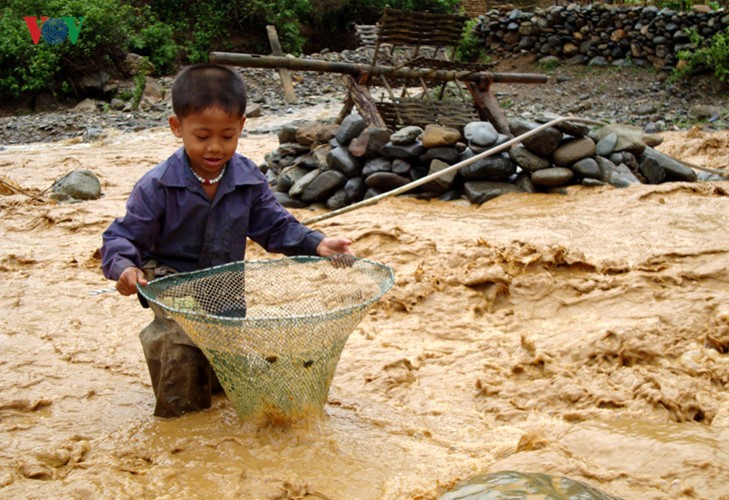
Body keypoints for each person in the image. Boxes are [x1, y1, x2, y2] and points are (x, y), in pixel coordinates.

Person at [100, 63, 353, 418]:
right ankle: (181, 426)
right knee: (179, 341)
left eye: (227, 136)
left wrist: (317, 243)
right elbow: (123, 235)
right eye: (202, 136)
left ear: (242, 128)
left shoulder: (248, 179)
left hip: (225, 283)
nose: (215, 147)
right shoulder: (156, 185)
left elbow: (275, 226)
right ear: (177, 128)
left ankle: (216, 408)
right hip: (172, 280)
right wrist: (124, 266)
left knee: (225, 355)